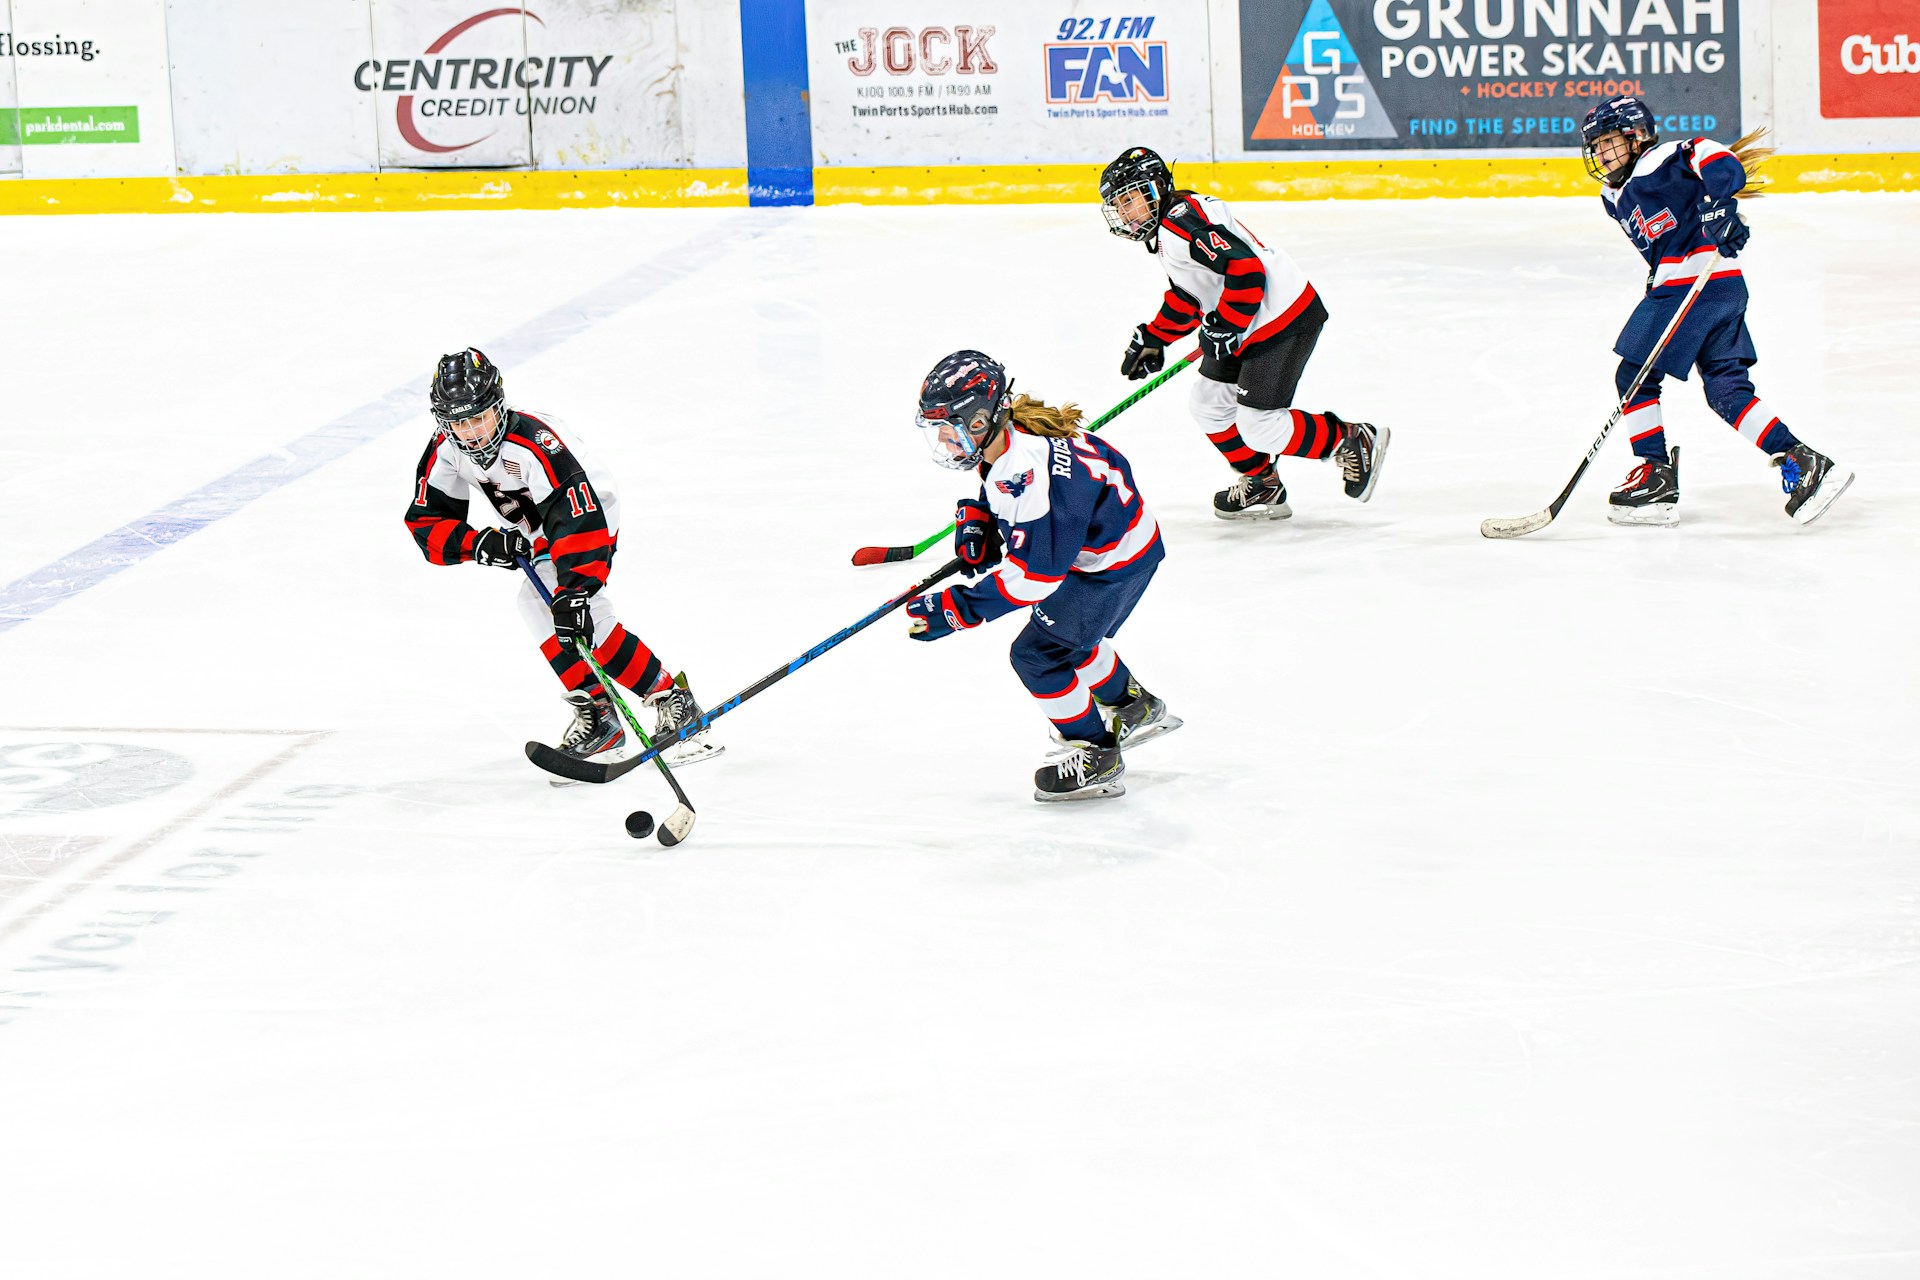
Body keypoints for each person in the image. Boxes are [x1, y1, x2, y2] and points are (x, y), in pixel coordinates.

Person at [403, 348, 720, 769]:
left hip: (588, 514)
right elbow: (428, 520)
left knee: (575, 610)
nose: (471, 432)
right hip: (539, 526)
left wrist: (576, 589)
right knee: (535, 603)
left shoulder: (536, 443)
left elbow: (578, 516)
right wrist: (482, 545)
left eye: (478, 417)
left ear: (498, 404)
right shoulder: (447, 446)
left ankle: (673, 700)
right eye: (458, 422)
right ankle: (601, 714)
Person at [903, 350, 1180, 802]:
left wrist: (960, 610)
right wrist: (981, 517)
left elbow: (1035, 579)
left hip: (1108, 568)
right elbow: (1007, 488)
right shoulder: (1017, 432)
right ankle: (1135, 707)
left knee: (1039, 655)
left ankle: (1096, 752)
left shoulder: (1027, 475)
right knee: (1070, 637)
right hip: (1121, 550)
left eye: (949, 428)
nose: (945, 441)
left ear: (979, 421)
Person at [1580, 96, 1853, 525]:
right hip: (1715, 287)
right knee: (1725, 390)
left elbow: (1716, 156)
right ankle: (1802, 460)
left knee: (1633, 376)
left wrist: (1723, 204)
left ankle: (1654, 474)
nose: (1599, 154)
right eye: (1594, 147)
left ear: (1635, 138)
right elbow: (1661, 244)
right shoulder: (1612, 196)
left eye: (1607, 142)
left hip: (1694, 285)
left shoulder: (1667, 157)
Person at [1099, 145, 1387, 520]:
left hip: (1280, 320)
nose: (1123, 212)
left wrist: (1227, 326)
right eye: (1118, 205)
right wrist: (1156, 337)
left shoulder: (1180, 222)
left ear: (1154, 189)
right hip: (1248, 321)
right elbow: (1193, 293)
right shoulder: (1169, 228)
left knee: (1260, 426)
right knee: (1209, 405)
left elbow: (1247, 270)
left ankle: (1350, 439)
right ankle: (1262, 481)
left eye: (1129, 200)